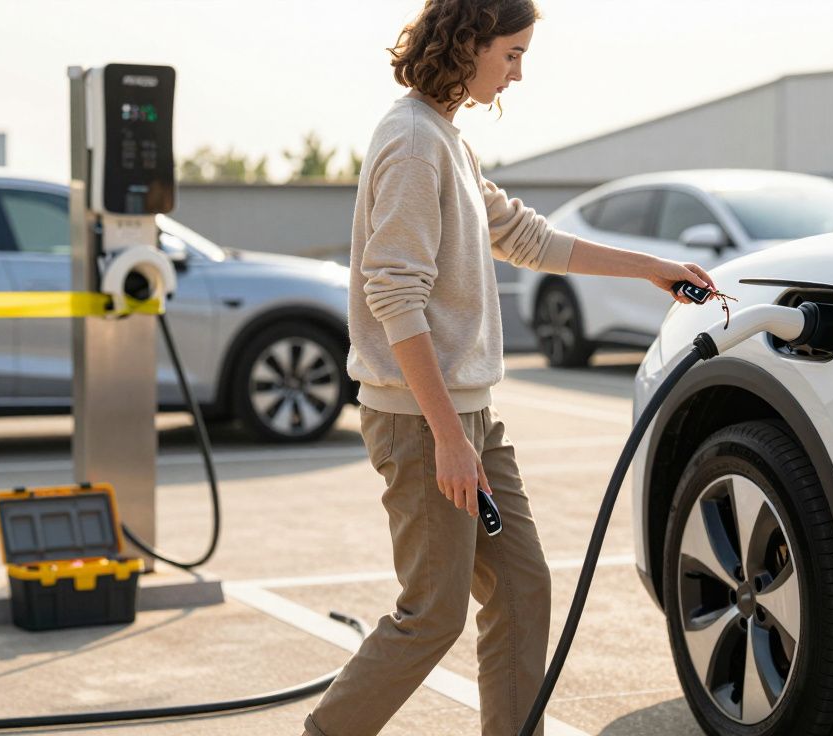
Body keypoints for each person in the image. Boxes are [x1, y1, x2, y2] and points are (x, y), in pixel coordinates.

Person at [302, 1, 714, 734]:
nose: (519, 73)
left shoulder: (446, 141)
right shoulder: (411, 142)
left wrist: (649, 267)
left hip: (467, 418)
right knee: (432, 616)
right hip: (423, 422)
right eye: (513, 54)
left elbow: (527, 236)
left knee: (522, 588)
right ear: (470, 43)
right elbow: (395, 298)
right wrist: (449, 441)